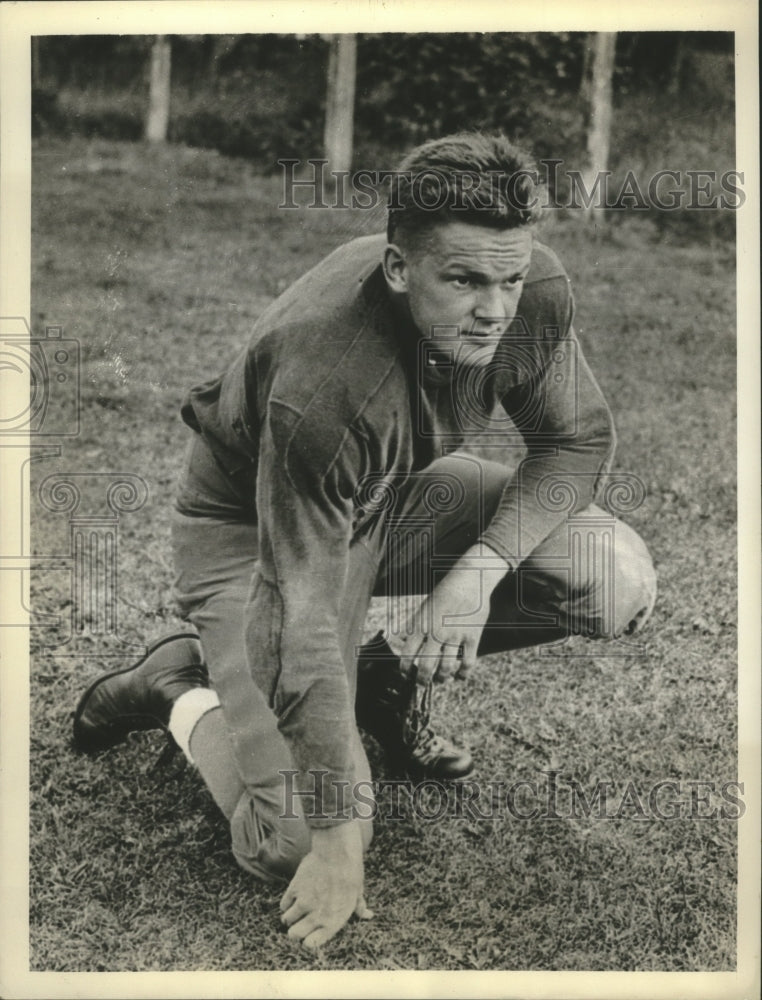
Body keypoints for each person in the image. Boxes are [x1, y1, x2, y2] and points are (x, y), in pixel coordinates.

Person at [73, 133, 657, 950]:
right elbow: (300, 617)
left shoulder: (530, 293)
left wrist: (474, 574)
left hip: (391, 494)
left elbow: (573, 444)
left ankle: (378, 683)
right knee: (291, 842)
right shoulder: (325, 384)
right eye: (463, 281)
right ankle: (176, 688)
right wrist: (342, 846)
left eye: (510, 278)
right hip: (253, 527)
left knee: (612, 575)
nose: (494, 310)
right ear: (396, 269)